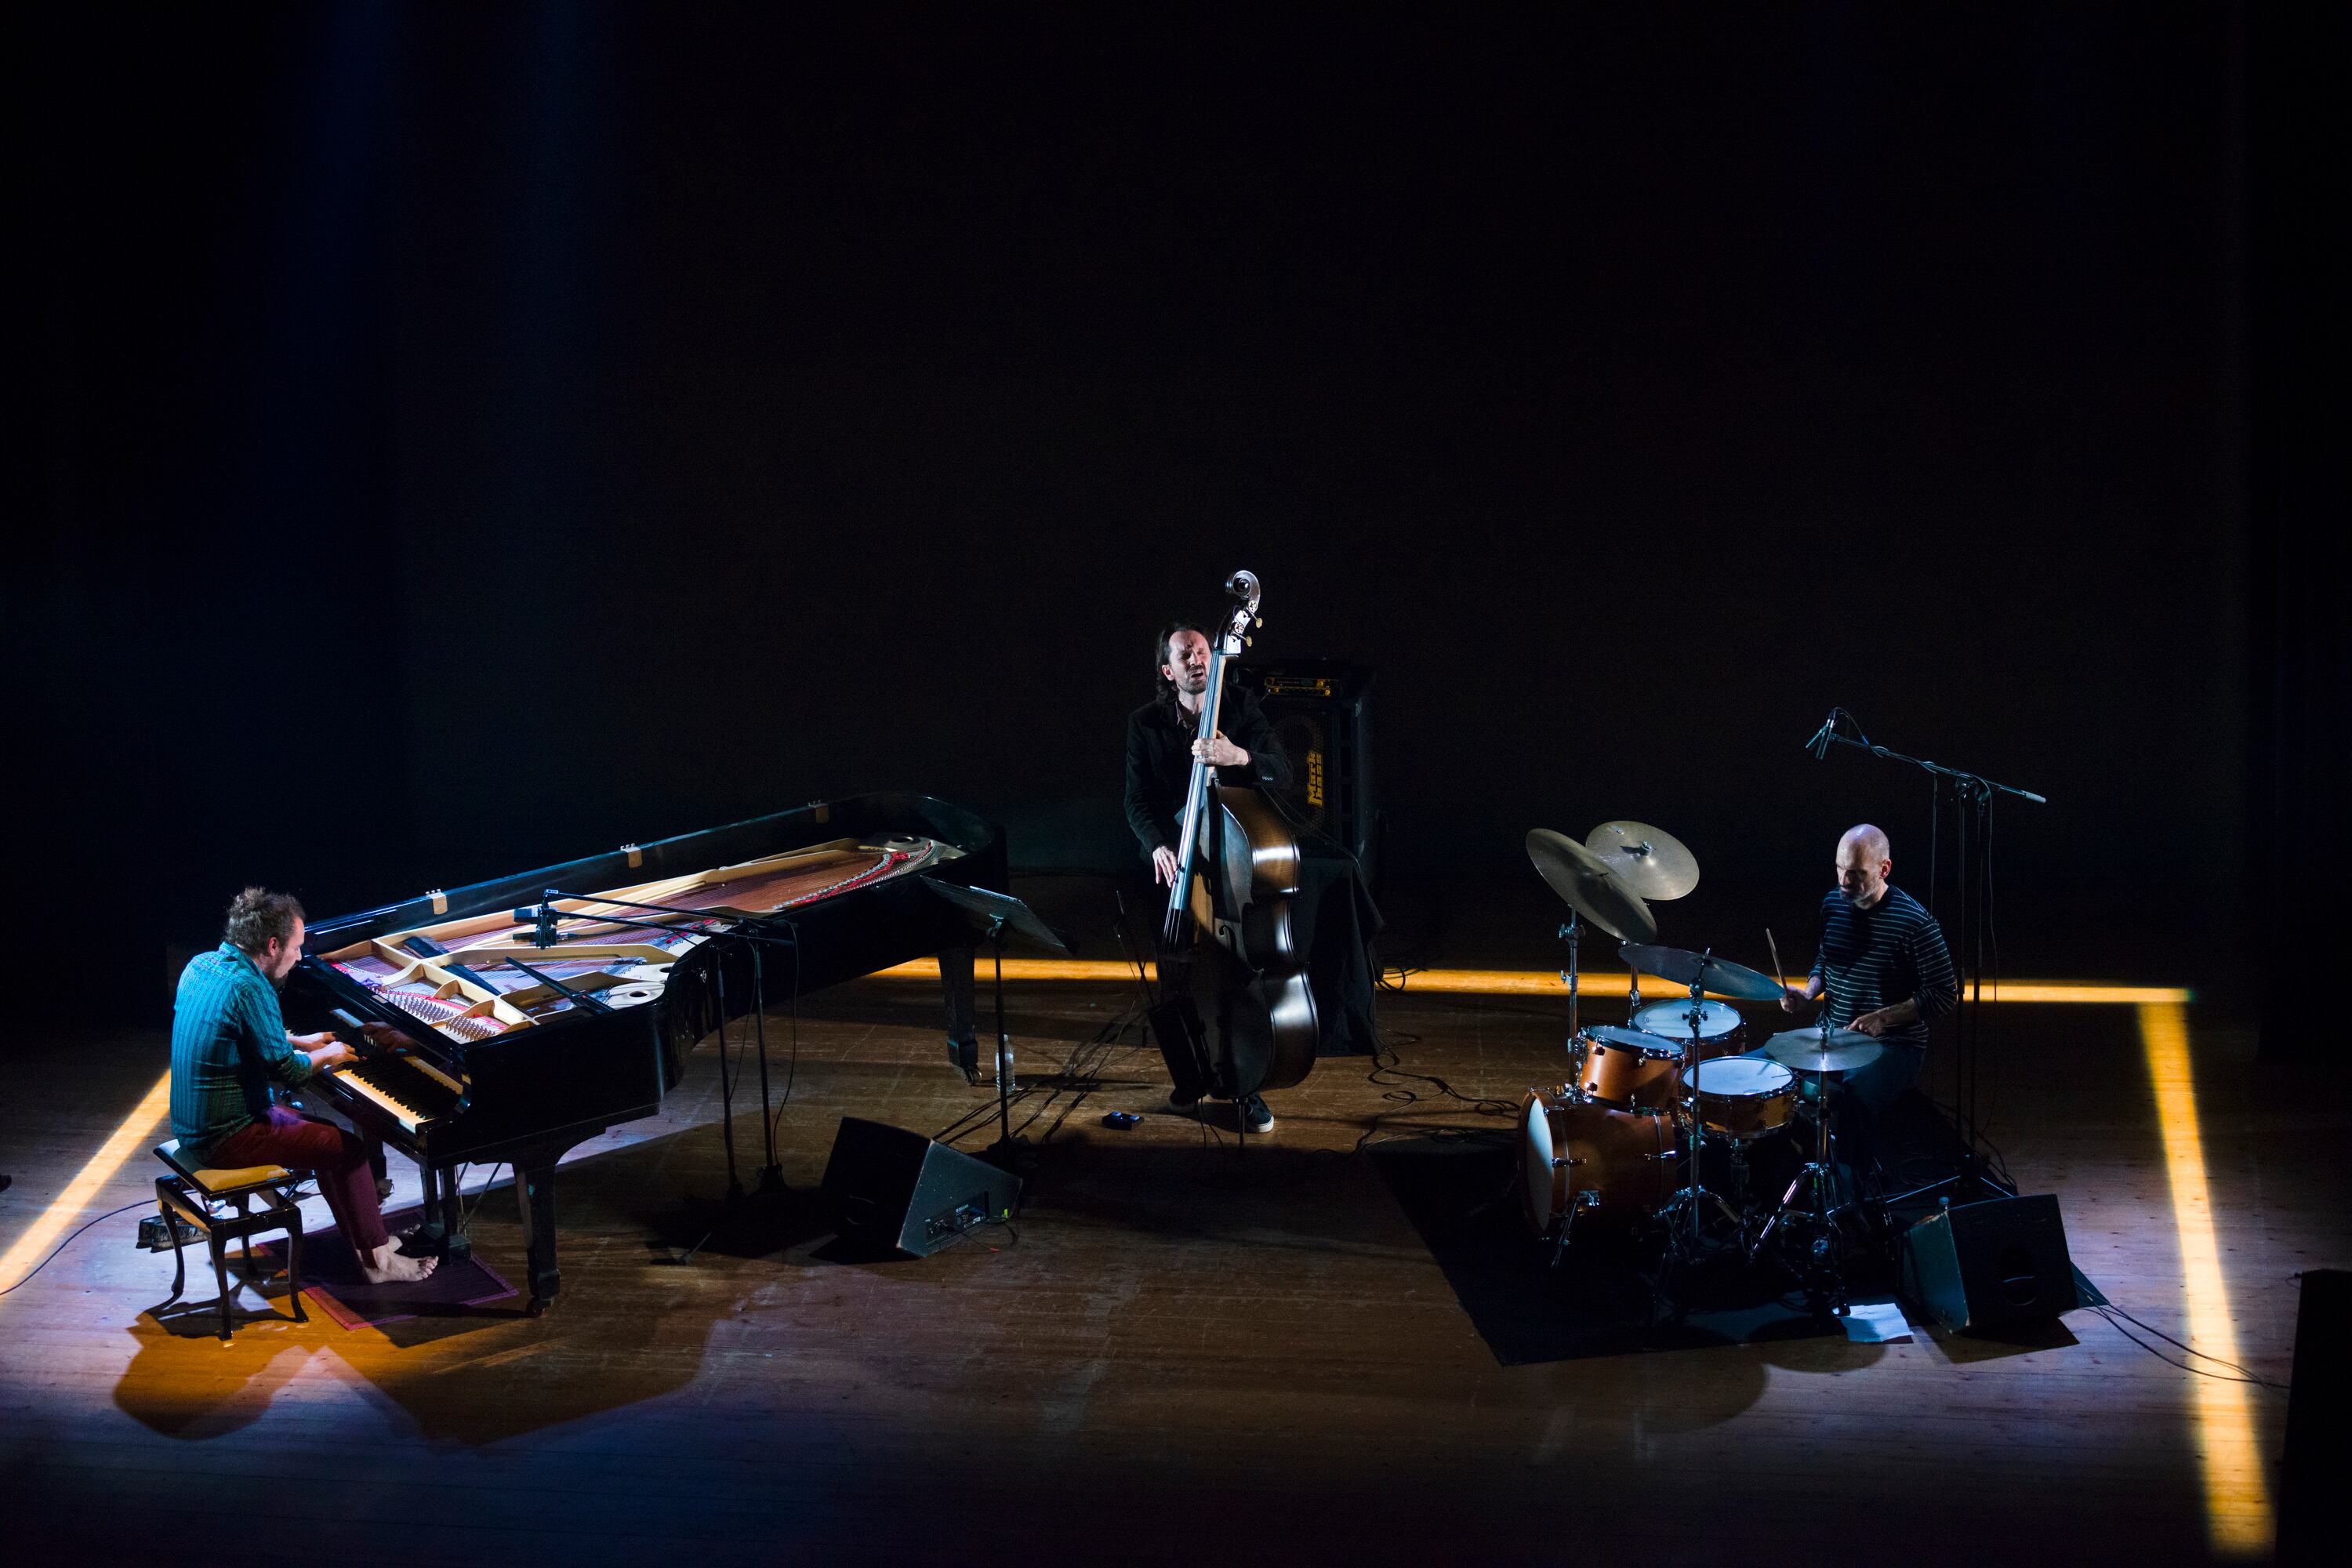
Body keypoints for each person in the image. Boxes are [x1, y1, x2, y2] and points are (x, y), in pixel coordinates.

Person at [169, 888, 436, 1284]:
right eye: (296, 947)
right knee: (346, 1150)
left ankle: (369, 1244)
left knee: (328, 1141)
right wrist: (327, 1056)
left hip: (194, 1124)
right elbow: (289, 1073)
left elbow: (245, 1035)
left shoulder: (203, 965)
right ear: (273, 944)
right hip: (223, 1136)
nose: (299, 956)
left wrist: (304, 1042)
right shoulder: (251, 987)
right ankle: (379, 1263)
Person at [1124, 617, 1294, 1134]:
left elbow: (1282, 773)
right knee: (1174, 976)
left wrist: (1235, 756)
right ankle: (1190, 1076)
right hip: (1179, 864)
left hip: (1230, 861)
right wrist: (1156, 844)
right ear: (1168, 671)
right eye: (1186, 656)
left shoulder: (1240, 708)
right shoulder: (1145, 723)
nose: (1197, 661)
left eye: (1202, 651)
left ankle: (1248, 1086)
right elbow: (1136, 799)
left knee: (1237, 978)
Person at [1782, 824, 1956, 1188]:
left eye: (1857, 873)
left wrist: (1885, 1018)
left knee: (1849, 1106)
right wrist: (1809, 991)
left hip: (1894, 1047)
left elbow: (1943, 994)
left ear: (1884, 869)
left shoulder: (1916, 923)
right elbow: (1826, 958)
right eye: (1840, 869)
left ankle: (1851, 1201)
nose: (1845, 880)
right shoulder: (1833, 902)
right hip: (1834, 1036)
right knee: (1764, 1080)